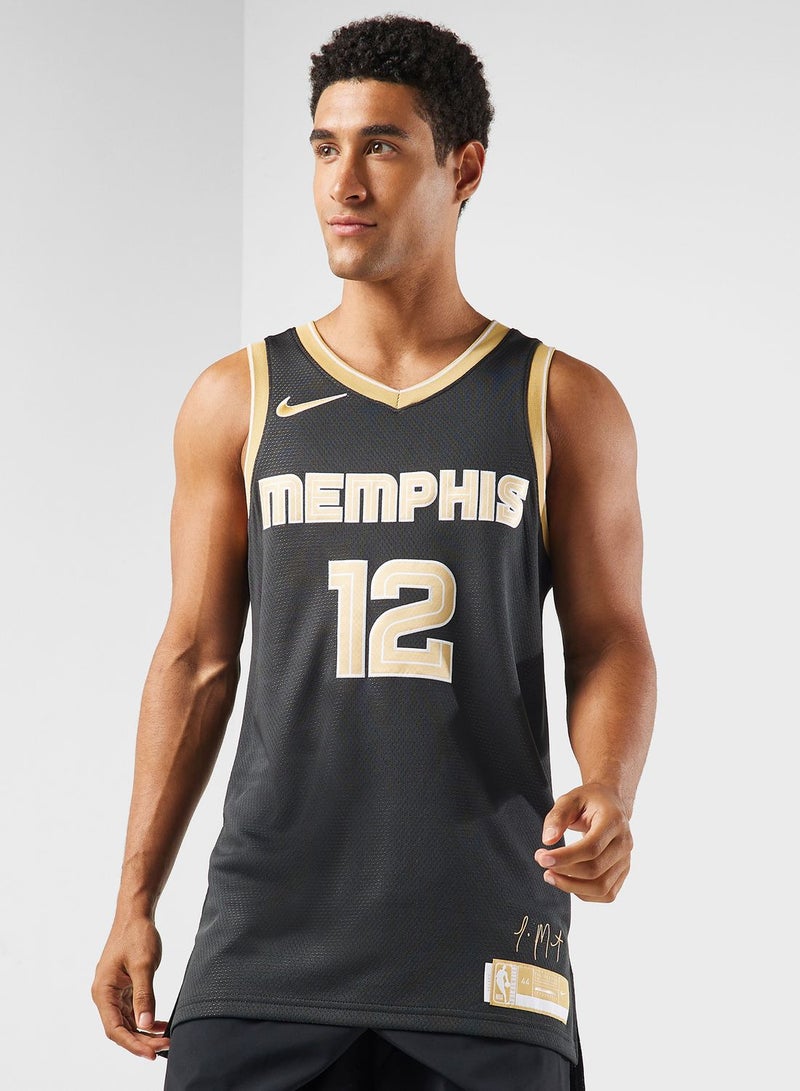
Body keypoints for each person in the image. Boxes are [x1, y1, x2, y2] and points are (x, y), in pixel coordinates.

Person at [92, 14, 656, 1090]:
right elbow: (196, 659)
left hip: (487, 955)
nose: (342, 182)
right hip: (261, 953)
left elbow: (609, 638)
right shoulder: (237, 398)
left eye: (382, 146)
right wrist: (133, 900)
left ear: (464, 168)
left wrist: (610, 787)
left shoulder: (561, 402)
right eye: (324, 146)